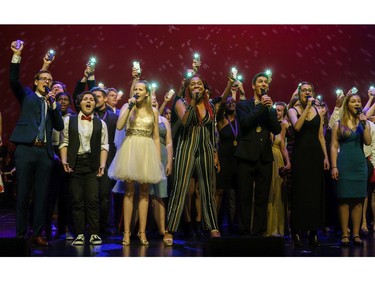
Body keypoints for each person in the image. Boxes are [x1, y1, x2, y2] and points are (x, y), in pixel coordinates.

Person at [9, 41, 64, 246]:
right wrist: (17, 56)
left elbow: (58, 126)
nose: (47, 81)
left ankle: (38, 233)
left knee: (41, 195)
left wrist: (54, 106)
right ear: (35, 81)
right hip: (25, 149)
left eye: (49, 79)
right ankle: (21, 233)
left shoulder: (52, 103)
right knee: (23, 193)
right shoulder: (27, 96)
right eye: (43, 78)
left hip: (44, 153)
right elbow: (13, 80)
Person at [164, 74, 221, 246]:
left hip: (205, 147)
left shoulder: (210, 105)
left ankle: (212, 226)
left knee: (207, 188)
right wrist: (194, 102)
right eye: (193, 84)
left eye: (199, 84)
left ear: (204, 87)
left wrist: (215, 152)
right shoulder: (181, 103)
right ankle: (170, 229)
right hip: (186, 146)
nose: (196, 86)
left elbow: (211, 130)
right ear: (188, 88)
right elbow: (186, 121)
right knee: (180, 188)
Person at [108, 79, 164, 246]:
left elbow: (155, 136)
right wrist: (130, 106)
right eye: (136, 89)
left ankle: (142, 232)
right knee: (129, 191)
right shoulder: (127, 107)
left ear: (147, 93)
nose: (137, 91)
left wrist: (158, 159)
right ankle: (126, 232)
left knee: (145, 192)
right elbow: (119, 126)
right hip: (131, 147)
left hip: (146, 149)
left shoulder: (153, 111)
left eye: (141, 89)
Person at [234, 72, 281, 237]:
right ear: (253, 85)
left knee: (262, 196)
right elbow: (245, 124)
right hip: (246, 156)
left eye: (265, 82)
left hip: (264, 157)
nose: (263, 84)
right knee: (244, 195)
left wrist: (268, 109)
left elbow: (277, 129)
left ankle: (260, 230)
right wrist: (260, 106)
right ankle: (243, 229)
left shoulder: (270, 107)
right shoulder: (243, 105)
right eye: (260, 81)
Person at [59, 91, 109, 245]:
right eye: (85, 99)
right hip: (75, 164)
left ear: (95, 104)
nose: (88, 101)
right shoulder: (69, 121)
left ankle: (94, 233)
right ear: (79, 103)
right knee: (77, 200)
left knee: (93, 199)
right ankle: (79, 233)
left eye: (91, 100)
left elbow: (104, 145)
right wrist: (64, 161)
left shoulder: (101, 123)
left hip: (92, 164)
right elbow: (64, 142)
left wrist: (102, 164)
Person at [287, 82, 330, 247]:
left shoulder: (318, 111)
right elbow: (297, 127)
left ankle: (313, 231)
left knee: (314, 193)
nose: (306, 92)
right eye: (303, 90)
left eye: (309, 90)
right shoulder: (293, 110)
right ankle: (296, 229)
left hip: (315, 155)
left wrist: (325, 157)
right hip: (301, 154)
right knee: (300, 191)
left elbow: (320, 136)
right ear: (299, 93)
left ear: (313, 92)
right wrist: (307, 107)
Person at [331, 92, 371, 246]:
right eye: (353, 101)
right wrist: (334, 166)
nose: (356, 103)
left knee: (359, 200)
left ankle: (355, 234)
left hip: (359, 165)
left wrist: (364, 123)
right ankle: (345, 234)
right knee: (344, 200)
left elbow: (367, 142)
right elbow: (334, 146)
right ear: (347, 104)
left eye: (358, 101)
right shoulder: (338, 123)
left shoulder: (363, 122)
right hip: (344, 163)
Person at [215, 76, 241, 233]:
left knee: (235, 193)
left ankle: (233, 223)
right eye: (228, 102)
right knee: (220, 191)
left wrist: (239, 92)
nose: (231, 103)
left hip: (237, 160)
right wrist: (229, 85)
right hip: (224, 160)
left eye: (233, 102)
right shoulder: (220, 120)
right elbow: (223, 101)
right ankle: (215, 222)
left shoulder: (239, 120)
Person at [266, 101, 291, 236]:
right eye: (275, 110)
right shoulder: (265, 124)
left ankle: (276, 227)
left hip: (278, 160)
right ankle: (266, 227)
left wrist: (288, 162)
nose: (277, 112)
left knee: (277, 193)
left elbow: (283, 147)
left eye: (280, 110)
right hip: (265, 160)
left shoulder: (281, 126)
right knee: (267, 192)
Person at [150, 95, 173, 236]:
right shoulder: (143, 118)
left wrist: (169, 161)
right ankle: (141, 230)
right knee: (146, 194)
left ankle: (162, 229)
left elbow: (169, 142)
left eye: (155, 99)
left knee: (160, 194)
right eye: (150, 99)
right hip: (147, 153)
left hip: (162, 156)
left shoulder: (163, 120)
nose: (154, 100)